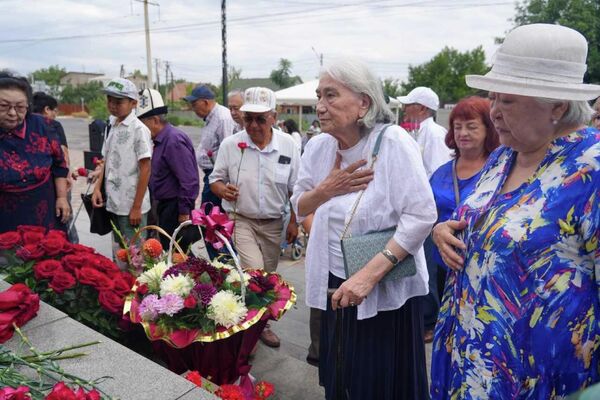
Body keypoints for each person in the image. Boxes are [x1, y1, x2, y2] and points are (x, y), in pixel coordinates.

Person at [431, 23, 600, 399]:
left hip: (542, 381)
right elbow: (478, 222)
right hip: (470, 364)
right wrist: (443, 231)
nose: (493, 113)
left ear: (556, 104)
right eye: (492, 99)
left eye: (506, 101)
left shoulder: (592, 168)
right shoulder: (503, 155)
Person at [291, 59, 435, 399]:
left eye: (331, 95)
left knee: (377, 381)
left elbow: (422, 215)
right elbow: (298, 206)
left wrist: (368, 276)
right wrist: (327, 190)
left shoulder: (393, 142)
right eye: (318, 96)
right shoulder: (318, 146)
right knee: (341, 377)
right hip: (334, 285)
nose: (320, 106)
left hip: (381, 287)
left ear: (364, 103)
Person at [210, 87, 300, 348]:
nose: (253, 125)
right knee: (254, 272)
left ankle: (258, 322)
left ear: (274, 116)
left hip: (274, 223)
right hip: (242, 220)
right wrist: (223, 190)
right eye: (248, 118)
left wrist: (294, 222)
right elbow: (215, 180)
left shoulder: (288, 146)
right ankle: (252, 328)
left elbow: (297, 189)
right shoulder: (231, 145)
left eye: (261, 119)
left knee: (267, 277)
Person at [423, 96, 499, 343]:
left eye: (472, 126)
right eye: (458, 127)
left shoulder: (501, 169)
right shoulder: (442, 171)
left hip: (479, 266)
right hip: (440, 264)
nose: (463, 133)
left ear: (488, 129)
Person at [0, 72, 70, 233]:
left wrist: (61, 198)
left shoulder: (43, 126)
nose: (12, 113)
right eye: (4, 106)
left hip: (43, 210)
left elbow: (59, 164)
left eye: (19, 107)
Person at [92, 78, 152, 255]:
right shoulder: (111, 125)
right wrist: (97, 188)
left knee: (136, 256)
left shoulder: (138, 129)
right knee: (120, 252)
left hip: (131, 205)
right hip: (113, 202)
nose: (113, 105)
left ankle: (135, 283)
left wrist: (136, 207)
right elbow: (106, 160)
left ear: (133, 103)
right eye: (110, 100)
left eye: (118, 101)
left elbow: (146, 168)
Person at [137, 88, 200, 252]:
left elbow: (189, 179)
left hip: (175, 206)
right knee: (171, 250)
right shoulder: (158, 140)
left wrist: (184, 211)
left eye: (142, 122)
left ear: (155, 120)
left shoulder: (173, 140)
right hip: (163, 205)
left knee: (178, 252)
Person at [31, 92, 79, 243]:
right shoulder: (52, 125)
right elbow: (63, 153)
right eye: (55, 111)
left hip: (34, 188)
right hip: (56, 184)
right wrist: (67, 176)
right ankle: (70, 247)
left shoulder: (23, 125)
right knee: (64, 218)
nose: (55, 115)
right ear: (47, 109)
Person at [185, 85, 235, 209]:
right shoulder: (210, 118)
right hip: (210, 175)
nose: (193, 108)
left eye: (194, 104)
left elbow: (228, 151)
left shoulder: (223, 118)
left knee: (210, 214)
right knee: (207, 215)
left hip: (218, 176)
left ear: (205, 102)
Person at [398, 86, 451, 177]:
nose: (403, 109)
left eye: (407, 105)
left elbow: (439, 173)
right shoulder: (420, 132)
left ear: (422, 109)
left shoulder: (435, 134)